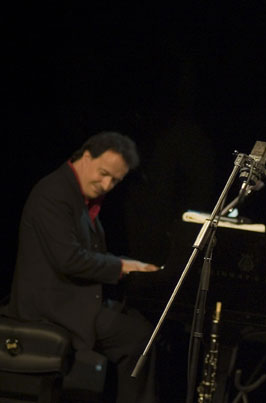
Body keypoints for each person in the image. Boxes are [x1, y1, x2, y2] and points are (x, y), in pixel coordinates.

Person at [7, 131, 160, 402]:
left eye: (115, 180)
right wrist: (122, 266)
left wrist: (128, 265)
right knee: (139, 339)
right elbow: (69, 259)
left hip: (70, 299)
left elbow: (89, 254)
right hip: (50, 306)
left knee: (140, 322)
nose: (107, 184)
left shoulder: (77, 195)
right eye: (103, 173)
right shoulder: (54, 192)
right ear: (86, 156)